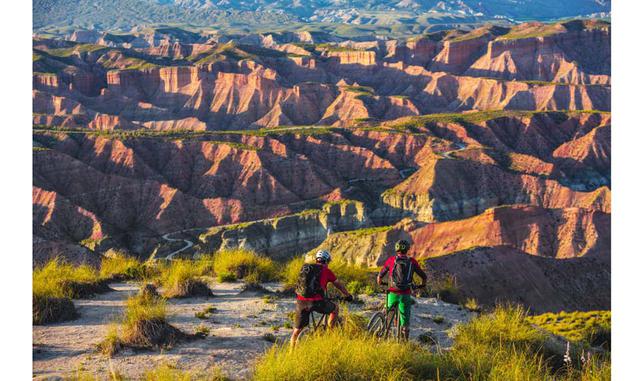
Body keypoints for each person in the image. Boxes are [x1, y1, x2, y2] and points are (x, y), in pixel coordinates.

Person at [290, 250, 353, 347]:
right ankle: (331, 334)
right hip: (316, 301)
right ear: (327, 261)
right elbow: (338, 285)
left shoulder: (307, 269)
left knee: (296, 331)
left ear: (316, 260)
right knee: (335, 309)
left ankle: (291, 354)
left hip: (301, 301)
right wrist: (347, 295)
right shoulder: (326, 271)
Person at [377, 239, 427, 340]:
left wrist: (381, 283)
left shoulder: (391, 260)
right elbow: (424, 276)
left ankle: (381, 329)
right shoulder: (412, 262)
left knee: (387, 311)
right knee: (405, 321)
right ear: (407, 249)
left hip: (392, 293)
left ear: (396, 249)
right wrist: (422, 285)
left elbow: (379, 276)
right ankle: (404, 342)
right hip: (405, 294)